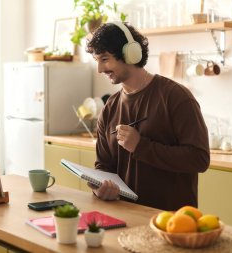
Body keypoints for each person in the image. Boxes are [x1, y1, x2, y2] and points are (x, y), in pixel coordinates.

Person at [85, 21, 210, 211]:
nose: (100, 70)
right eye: (97, 61)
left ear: (130, 54)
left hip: (171, 223)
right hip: (124, 217)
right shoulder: (109, 108)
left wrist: (140, 146)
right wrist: (99, 187)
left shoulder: (176, 97)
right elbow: (104, 166)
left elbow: (199, 159)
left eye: (105, 59)